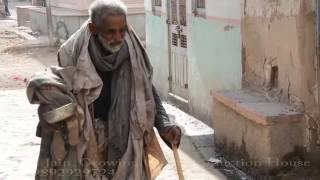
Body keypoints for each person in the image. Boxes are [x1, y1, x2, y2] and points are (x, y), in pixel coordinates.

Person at [27, 0, 181, 179]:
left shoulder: (133, 52)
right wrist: (48, 108)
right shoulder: (73, 52)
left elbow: (145, 89)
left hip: (126, 136)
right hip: (88, 138)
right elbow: (61, 90)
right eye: (110, 32)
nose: (118, 37)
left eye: (122, 30)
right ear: (94, 29)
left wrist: (164, 124)